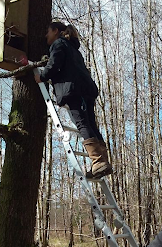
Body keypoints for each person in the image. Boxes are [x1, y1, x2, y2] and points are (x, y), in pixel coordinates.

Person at [34, 21, 112, 179]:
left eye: (47, 32)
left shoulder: (59, 44)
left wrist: (41, 76)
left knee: (83, 124)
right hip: (85, 90)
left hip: (76, 91)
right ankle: (101, 162)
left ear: (56, 31)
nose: (45, 36)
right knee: (91, 124)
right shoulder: (72, 48)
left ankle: (98, 161)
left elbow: (55, 64)